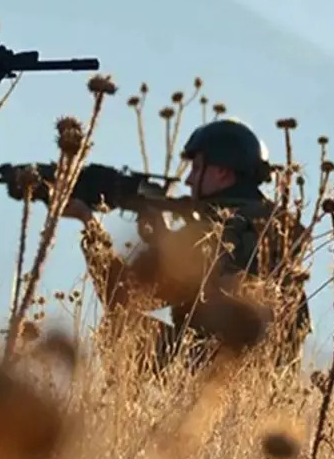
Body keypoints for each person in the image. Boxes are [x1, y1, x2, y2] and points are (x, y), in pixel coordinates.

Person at [63, 118, 311, 376]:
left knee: (120, 326)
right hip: (271, 380)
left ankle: (130, 415)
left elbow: (123, 294)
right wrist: (165, 240)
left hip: (217, 375)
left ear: (222, 172)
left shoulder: (212, 230)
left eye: (197, 167)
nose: (190, 180)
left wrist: (90, 225)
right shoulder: (274, 227)